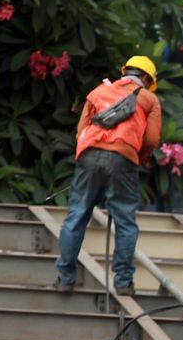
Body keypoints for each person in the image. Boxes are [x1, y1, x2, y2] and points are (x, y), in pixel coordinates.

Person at [54, 56, 163, 295]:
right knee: (124, 220)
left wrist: (87, 157)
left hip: (89, 156)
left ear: (125, 72)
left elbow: (82, 130)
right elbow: (152, 139)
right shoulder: (149, 99)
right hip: (123, 157)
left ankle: (65, 278)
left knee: (77, 214)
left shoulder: (98, 92)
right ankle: (123, 283)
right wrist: (139, 156)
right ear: (146, 78)